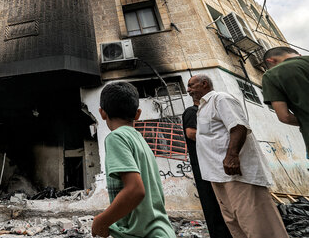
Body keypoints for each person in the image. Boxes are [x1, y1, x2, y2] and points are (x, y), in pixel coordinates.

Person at [187, 74, 288, 238]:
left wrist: (232, 156)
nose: (188, 90)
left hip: (237, 174)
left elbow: (238, 126)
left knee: (258, 225)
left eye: (191, 85)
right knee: (237, 225)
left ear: (204, 83)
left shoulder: (220, 98)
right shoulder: (202, 108)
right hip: (218, 176)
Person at [92, 82, 175, 238]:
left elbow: (135, 190)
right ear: (138, 114)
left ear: (102, 113)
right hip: (160, 231)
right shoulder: (139, 139)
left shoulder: (116, 138)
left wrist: (101, 221)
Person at [182, 98, 232, 238]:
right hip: (203, 166)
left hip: (214, 165)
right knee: (213, 204)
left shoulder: (207, 113)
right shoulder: (192, 112)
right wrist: (218, 140)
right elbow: (191, 133)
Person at [262, 46, 309, 158]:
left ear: (271, 61)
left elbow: (284, 116)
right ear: (299, 56)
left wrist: (305, 119)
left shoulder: (271, 75)